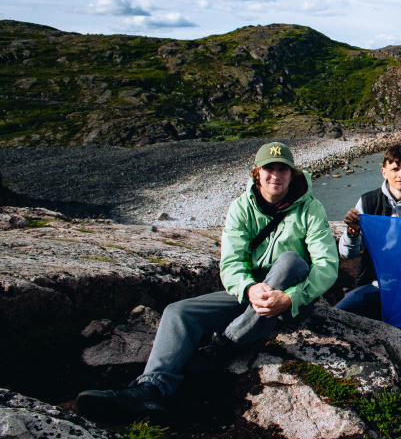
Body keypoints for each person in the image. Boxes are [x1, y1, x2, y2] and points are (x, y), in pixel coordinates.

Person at [76, 142, 339, 419]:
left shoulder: (311, 209)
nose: (276, 175)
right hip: (252, 295)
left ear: (292, 173)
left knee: (290, 261)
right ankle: (151, 390)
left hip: (291, 300)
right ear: (256, 173)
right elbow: (231, 263)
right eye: (269, 168)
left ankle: (226, 343)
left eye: (282, 169)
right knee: (178, 312)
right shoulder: (241, 207)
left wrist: (290, 297)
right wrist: (249, 288)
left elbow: (326, 266)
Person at [336, 145, 401, 319]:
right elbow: (347, 253)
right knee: (337, 316)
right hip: (371, 283)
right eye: (395, 169)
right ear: (384, 172)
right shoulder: (367, 202)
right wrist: (352, 232)